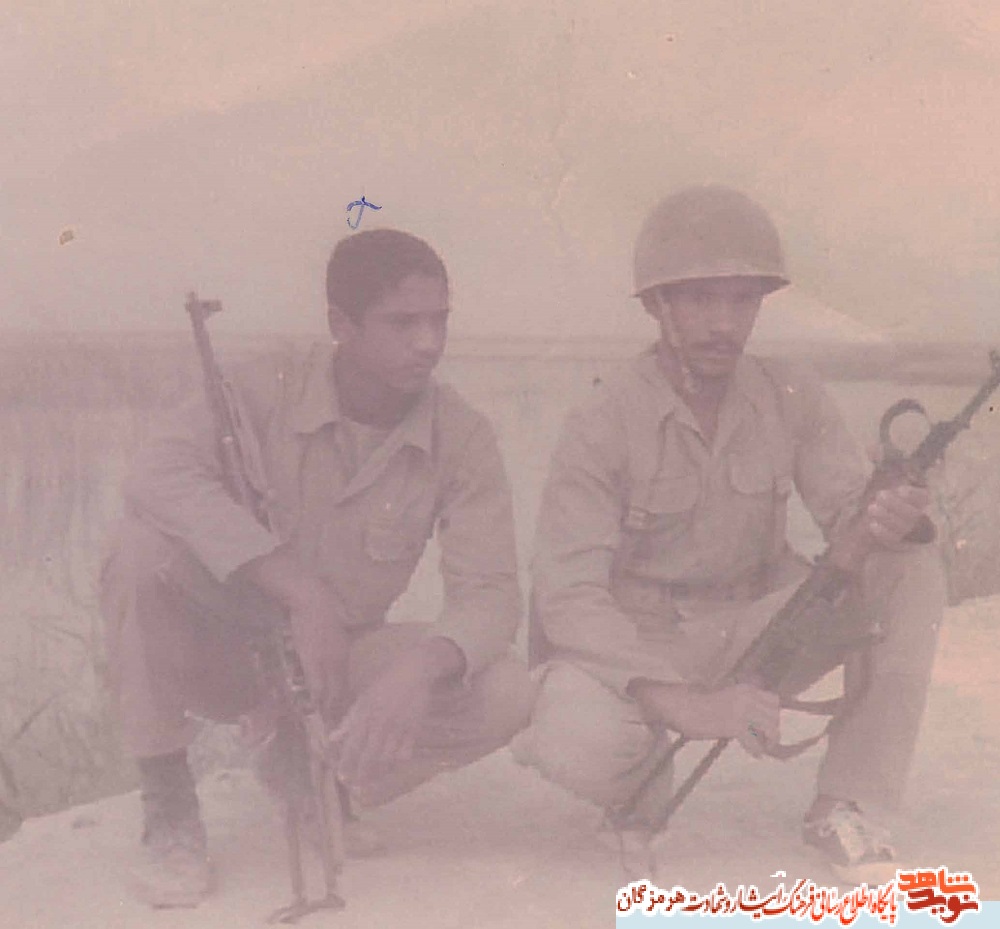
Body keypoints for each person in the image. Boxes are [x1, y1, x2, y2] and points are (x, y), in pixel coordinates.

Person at [511, 185, 946, 874]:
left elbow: (849, 514)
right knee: (574, 740)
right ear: (656, 305)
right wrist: (680, 703)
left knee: (907, 565)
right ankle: (637, 781)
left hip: (757, 628)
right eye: (700, 300)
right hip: (638, 645)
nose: (724, 323)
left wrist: (898, 516)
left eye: (742, 300)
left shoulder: (790, 394)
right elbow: (567, 595)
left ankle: (848, 804)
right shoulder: (603, 419)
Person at [101, 228, 532, 907]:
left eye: (439, 320)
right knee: (137, 554)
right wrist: (299, 591)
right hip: (225, 651)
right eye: (402, 322)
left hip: (333, 664)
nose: (428, 342)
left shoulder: (463, 434)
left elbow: (493, 595)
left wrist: (418, 672)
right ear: (341, 325)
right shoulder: (263, 385)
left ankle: (316, 774)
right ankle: (170, 807)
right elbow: (156, 475)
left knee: (505, 689)